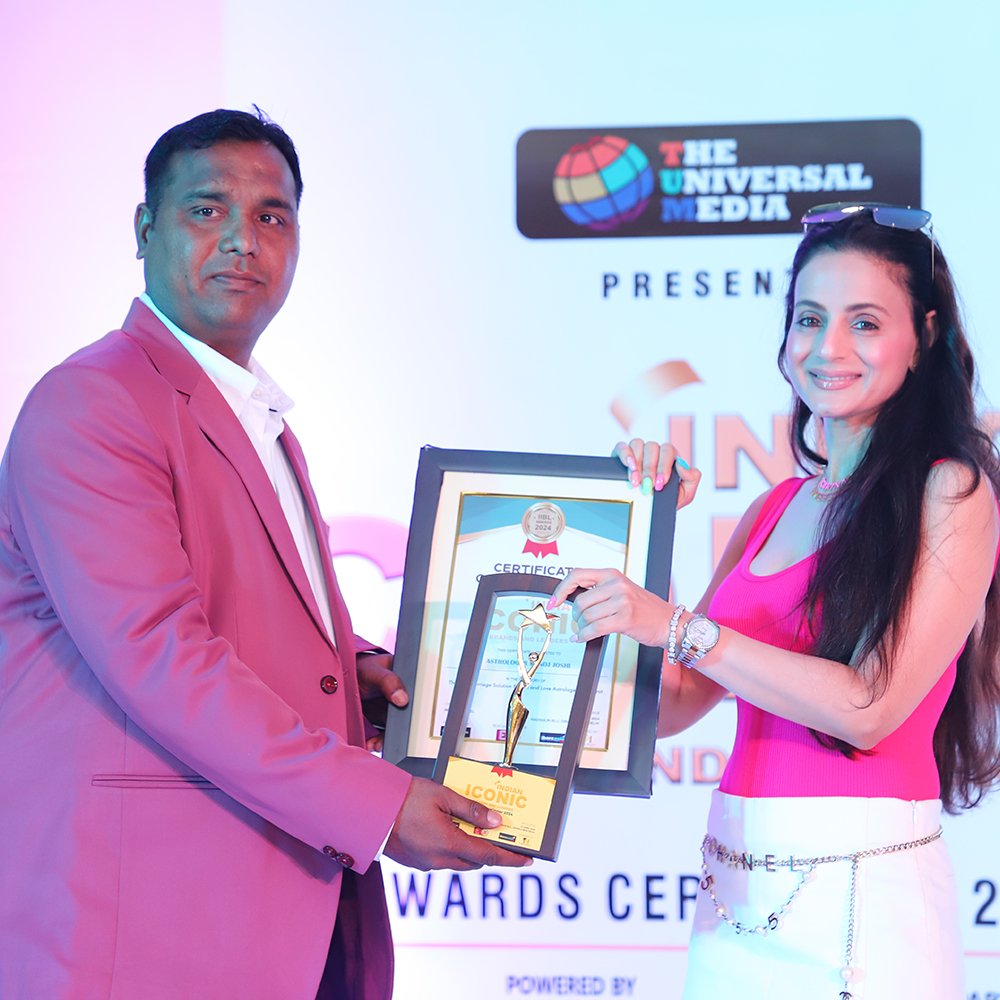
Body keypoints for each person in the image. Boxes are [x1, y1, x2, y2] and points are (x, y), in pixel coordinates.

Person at [0, 108, 530, 1000]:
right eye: (207, 210)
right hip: (150, 925)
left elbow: (235, 613)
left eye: (271, 216)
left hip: (283, 904)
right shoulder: (92, 404)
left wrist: (354, 671)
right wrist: (378, 804)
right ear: (145, 230)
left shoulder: (257, 416)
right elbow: (160, 656)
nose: (243, 239)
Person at [549, 203, 1000, 999]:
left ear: (924, 335)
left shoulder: (951, 491)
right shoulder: (774, 507)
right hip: (734, 889)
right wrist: (647, 525)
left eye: (865, 323)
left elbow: (870, 707)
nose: (827, 348)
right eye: (810, 318)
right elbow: (678, 703)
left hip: (867, 899)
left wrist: (681, 628)